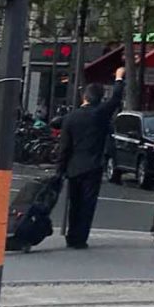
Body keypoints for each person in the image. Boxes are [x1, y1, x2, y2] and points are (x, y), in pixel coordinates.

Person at [55, 83, 112, 249]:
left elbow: (64, 147)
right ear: (100, 98)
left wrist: (60, 170)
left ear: (84, 97)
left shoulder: (71, 118)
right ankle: (80, 238)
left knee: (75, 202)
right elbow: (115, 99)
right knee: (87, 204)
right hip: (93, 166)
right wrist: (118, 79)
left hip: (74, 167)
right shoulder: (100, 115)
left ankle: (71, 236)